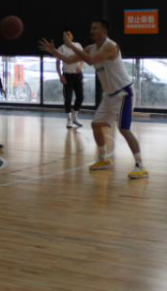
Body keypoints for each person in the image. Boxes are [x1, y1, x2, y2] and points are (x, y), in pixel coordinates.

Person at [39, 19, 147, 179]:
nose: (92, 31)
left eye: (95, 28)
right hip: (109, 95)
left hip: (124, 93)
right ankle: (103, 160)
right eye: (91, 28)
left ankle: (140, 166)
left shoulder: (111, 46)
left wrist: (70, 45)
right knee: (96, 125)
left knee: (124, 129)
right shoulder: (90, 48)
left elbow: (91, 61)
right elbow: (68, 60)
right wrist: (53, 51)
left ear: (104, 31)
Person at [55, 28, 85, 129]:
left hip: (77, 75)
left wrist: (81, 66)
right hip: (67, 76)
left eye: (68, 34)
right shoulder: (61, 48)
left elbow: (83, 57)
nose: (66, 36)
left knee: (80, 97)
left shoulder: (78, 45)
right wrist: (60, 75)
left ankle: (74, 117)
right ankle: (69, 120)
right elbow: (57, 63)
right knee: (68, 99)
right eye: (64, 35)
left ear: (72, 36)